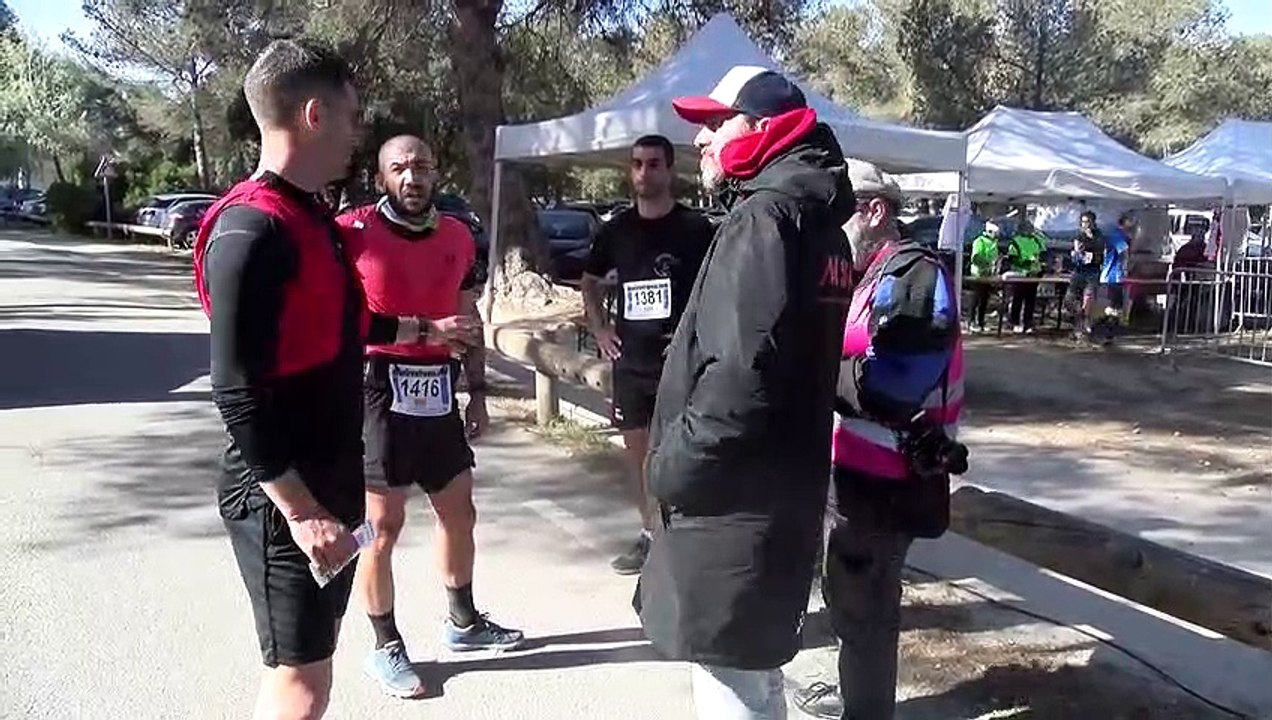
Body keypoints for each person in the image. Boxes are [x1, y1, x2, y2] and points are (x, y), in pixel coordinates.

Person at [193, 40, 427, 720]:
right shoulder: (250, 227)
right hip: (283, 496)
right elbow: (235, 387)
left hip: (331, 476)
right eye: (353, 117)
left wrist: (421, 332)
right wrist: (301, 512)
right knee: (301, 687)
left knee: (304, 674)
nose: (360, 133)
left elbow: (334, 325)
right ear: (315, 114)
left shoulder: (308, 216)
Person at [635, 65, 856, 719]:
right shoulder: (821, 226)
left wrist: (670, 468)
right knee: (756, 671)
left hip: (731, 505)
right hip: (778, 500)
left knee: (731, 680)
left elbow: (739, 378)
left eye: (715, 123)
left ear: (765, 129)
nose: (701, 140)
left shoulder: (765, 219)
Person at [336, 135, 524, 699]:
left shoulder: (458, 236)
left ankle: (462, 622)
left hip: (439, 389)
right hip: (378, 391)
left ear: (436, 172)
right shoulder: (353, 232)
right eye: (400, 168)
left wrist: (479, 392)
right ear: (381, 176)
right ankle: (384, 645)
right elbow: (344, 321)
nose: (412, 177)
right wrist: (424, 330)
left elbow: (468, 319)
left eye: (421, 166)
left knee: (459, 511)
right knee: (381, 530)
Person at [792, 161, 964, 720]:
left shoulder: (914, 273)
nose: (832, 231)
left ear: (874, 211)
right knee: (848, 601)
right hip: (856, 474)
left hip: (889, 480)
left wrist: (823, 371)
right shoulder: (871, 277)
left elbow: (894, 382)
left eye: (841, 215)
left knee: (866, 611)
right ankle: (855, 696)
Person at [580, 135, 715, 575]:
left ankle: (688, 538)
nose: (643, 173)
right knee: (639, 455)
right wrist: (600, 328)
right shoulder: (616, 230)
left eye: (653, 164)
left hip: (682, 365)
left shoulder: (695, 230)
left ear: (670, 170)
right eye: (636, 164)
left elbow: (715, 290)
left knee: (684, 454)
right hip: (631, 365)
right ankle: (650, 533)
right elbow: (590, 280)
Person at [1094, 211, 1133, 345]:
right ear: (1124, 222)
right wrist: (1126, 268)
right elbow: (1124, 252)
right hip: (1113, 275)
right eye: (1130, 220)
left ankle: (1106, 328)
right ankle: (1105, 330)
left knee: (1115, 305)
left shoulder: (1118, 235)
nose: (1132, 223)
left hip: (1114, 275)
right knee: (1114, 305)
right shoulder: (1117, 235)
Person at [1067, 210, 1105, 337]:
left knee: (1088, 298)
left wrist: (1091, 250)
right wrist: (1076, 253)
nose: (1085, 225)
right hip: (1079, 271)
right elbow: (1076, 251)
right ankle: (1078, 320)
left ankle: (1087, 322)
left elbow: (1101, 251)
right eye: (1083, 222)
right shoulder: (1079, 236)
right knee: (1070, 299)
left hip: (1092, 272)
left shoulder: (1099, 236)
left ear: (1093, 223)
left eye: (1088, 222)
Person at [1007, 219, 1047, 333]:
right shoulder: (1015, 241)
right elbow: (1012, 258)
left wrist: (1042, 266)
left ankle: (1028, 322)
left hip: (1034, 274)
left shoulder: (1037, 240)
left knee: (1031, 300)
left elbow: (1043, 254)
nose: (1029, 230)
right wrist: (1027, 262)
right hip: (1020, 274)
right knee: (1018, 299)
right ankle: (1014, 322)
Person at [967, 222, 1001, 332]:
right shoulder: (979, 241)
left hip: (988, 275)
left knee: (984, 300)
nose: (996, 235)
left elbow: (994, 257)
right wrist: (987, 264)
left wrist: (994, 267)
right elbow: (975, 258)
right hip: (978, 274)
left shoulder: (994, 243)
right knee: (976, 299)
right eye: (994, 233)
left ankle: (981, 322)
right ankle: (971, 322)